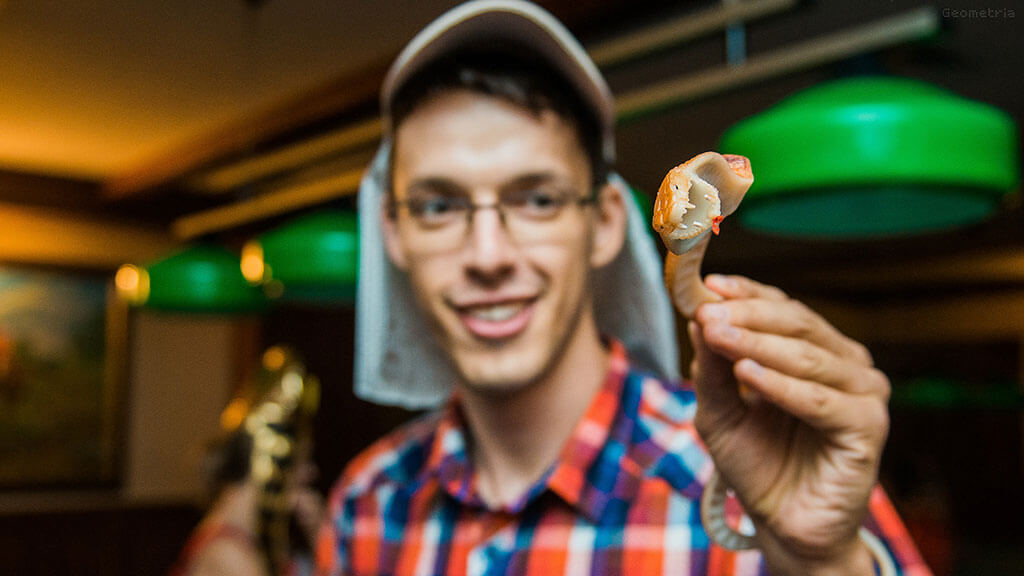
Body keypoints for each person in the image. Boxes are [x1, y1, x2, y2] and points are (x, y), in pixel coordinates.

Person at [318, 1, 931, 574]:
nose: (488, 256)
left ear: (608, 222)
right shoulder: (365, 505)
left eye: (537, 199)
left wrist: (827, 563)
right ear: (392, 232)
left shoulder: (766, 466)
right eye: (437, 206)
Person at [171, 347, 323, 576]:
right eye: (302, 461)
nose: (311, 472)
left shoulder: (248, 539)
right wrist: (325, 542)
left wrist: (319, 537)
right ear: (268, 462)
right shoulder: (228, 554)